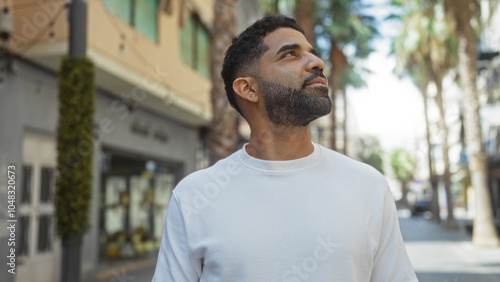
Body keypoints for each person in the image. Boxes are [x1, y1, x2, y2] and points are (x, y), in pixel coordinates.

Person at [152, 15, 417, 282]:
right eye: (290, 55)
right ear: (248, 89)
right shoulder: (193, 197)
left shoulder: (368, 186)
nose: (317, 63)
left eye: (312, 53)